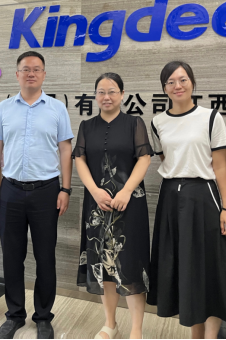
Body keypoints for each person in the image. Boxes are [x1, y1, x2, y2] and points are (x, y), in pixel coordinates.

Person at [147, 61, 226, 339]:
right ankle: (194, 333)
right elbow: (166, 159)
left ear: (192, 83)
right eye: (171, 82)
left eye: (183, 79)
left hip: (203, 197)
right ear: (164, 88)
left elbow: (219, 167)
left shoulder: (211, 117)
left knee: (207, 268)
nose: (177, 86)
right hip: (170, 199)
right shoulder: (157, 122)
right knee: (183, 268)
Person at [0, 51, 74, 340]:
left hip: (46, 192)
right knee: (12, 257)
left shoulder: (57, 108)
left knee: (45, 257)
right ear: (17, 74)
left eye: (36, 69)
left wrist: (65, 188)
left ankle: (43, 317)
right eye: (26, 69)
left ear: (44, 75)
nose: (31, 74)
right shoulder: (4, 108)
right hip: (10, 190)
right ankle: (14, 315)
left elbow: (65, 149)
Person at [73, 73, 152, 340]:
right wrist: (95, 191)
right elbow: (80, 160)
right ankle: (110, 324)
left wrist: (126, 191)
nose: (106, 97)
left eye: (112, 91)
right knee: (103, 264)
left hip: (129, 205)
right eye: (101, 92)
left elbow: (144, 158)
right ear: (95, 95)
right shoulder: (86, 126)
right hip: (97, 206)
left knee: (130, 265)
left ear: (122, 94)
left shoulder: (134, 123)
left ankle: (136, 330)